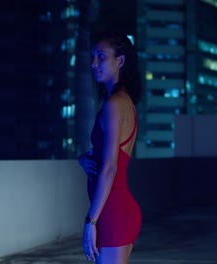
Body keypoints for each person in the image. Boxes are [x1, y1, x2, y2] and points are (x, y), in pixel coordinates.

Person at [78, 31, 143, 263]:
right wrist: (85, 158)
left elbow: (111, 168)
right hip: (115, 210)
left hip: (113, 212)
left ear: (120, 61)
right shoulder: (123, 102)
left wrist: (90, 222)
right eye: (93, 57)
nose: (94, 63)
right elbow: (110, 156)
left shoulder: (115, 104)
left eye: (101, 56)